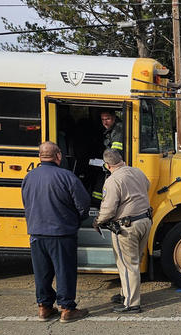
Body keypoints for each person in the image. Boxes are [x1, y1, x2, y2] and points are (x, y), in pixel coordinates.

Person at [21, 141, 91, 323]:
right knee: (64, 271)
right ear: (58, 156)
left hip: (36, 232)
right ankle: (67, 309)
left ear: (40, 156)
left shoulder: (29, 177)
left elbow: (26, 202)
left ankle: (44, 307)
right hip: (61, 233)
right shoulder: (67, 177)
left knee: (42, 272)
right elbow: (83, 204)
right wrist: (76, 220)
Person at [93, 149, 152, 313]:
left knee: (127, 265)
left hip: (127, 227)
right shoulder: (137, 171)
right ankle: (125, 293)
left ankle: (131, 303)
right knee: (135, 261)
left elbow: (109, 208)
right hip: (145, 221)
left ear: (107, 165)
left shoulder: (113, 180)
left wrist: (98, 221)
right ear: (122, 160)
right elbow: (148, 185)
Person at [91, 109, 123, 204]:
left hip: (114, 165)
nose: (105, 122)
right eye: (102, 119)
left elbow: (115, 153)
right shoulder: (112, 128)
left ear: (114, 118)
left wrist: (105, 163)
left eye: (107, 119)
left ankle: (98, 203)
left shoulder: (118, 130)